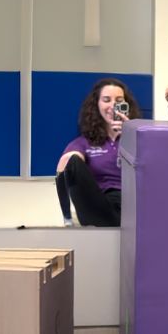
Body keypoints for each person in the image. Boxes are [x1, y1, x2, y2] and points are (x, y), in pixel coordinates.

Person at [55, 78, 136, 228]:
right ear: (97, 105)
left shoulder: (138, 139)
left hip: (134, 206)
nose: (113, 105)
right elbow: (65, 166)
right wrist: (73, 159)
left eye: (119, 101)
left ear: (127, 105)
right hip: (98, 206)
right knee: (72, 161)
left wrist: (131, 134)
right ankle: (69, 220)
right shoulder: (84, 142)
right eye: (106, 100)